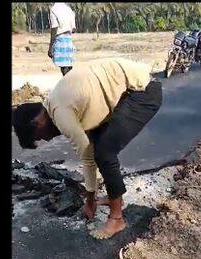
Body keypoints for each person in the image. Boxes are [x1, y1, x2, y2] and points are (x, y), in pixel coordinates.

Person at [12, 58, 162, 240]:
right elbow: (90, 137)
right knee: (99, 141)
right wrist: (93, 190)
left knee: (105, 153)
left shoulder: (61, 114)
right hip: (128, 89)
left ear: (37, 122)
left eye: (40, 137)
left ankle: (117, 218)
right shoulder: (52, 102)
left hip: (142, 92)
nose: (46, 139)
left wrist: (90, 200)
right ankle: (116, 198)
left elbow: (88, 158)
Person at [47, 2, 76, 75]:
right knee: (68, 66)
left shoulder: (54, 9)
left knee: (64, 67)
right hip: (69, 40)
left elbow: (54, 28)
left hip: (60, 39)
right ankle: (70, 84)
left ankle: (67, 84)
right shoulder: (68, 9)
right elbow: (74, 29)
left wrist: (50, 48)